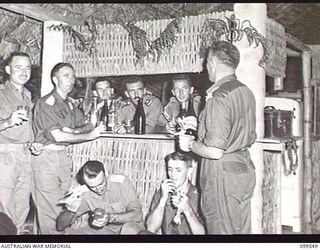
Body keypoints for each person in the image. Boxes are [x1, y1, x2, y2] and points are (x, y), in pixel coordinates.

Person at [178, 41, 256, 234]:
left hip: (222, 174)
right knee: (240, 230)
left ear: (212, 63)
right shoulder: (244, 91)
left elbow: (214, 152)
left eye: (206, 63)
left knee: (221, 231)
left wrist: (190, 144)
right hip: (242, 167)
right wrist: (200, 127)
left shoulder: (218, 97)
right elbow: (235, 129)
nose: (206, 68)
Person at [32, 62, 105, 234]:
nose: (71, 80)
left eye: (73, 76)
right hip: (46, 158)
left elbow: (87, 124)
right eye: (66, 76)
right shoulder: (46, 103)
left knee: (64, 207)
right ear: (54, 79)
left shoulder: (70, 104)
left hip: (62, 157)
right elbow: (58, 136)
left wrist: (73, 130)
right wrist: (87, 135)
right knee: (49, 212)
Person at [56, 160, 145, 235]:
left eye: (101, 183)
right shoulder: (84, 193)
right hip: (106, 231)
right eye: (93, 187)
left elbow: (138, 215)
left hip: (131, 228)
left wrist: (109, 218)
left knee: (128, 229)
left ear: (105, 175)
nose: (98, 189)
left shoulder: (121, 183)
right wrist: (70, 210)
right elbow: (60, 226)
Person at [0, 52, 33, 234]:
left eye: (27, 67)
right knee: (5, 208)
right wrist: (7, 122)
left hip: (25, 155)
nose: (24, 71)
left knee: (22, 205)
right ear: (8, 69)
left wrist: (36, 142)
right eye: (18, 67)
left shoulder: (28, 95)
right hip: (5, 156)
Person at [146, 152, 204, 235]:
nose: (172, 175)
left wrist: (188, 210)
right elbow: (151, 229)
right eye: (170, 169)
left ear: (189, 171)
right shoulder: (163, 192)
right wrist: (162, 200)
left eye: (178, 170)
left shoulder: (199, 196)